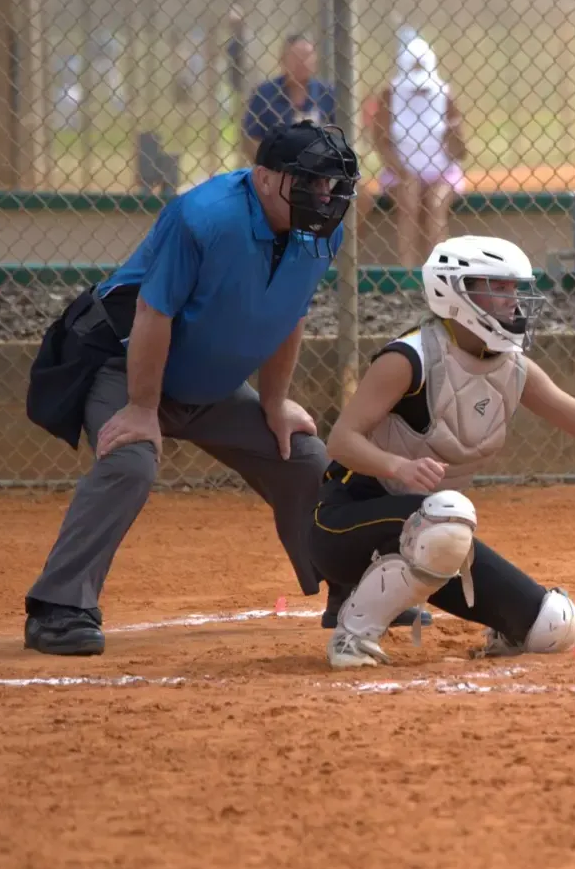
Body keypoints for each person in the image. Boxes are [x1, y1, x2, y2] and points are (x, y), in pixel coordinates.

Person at [21, 123, 359, 656]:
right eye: (312, 182)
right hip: (125, 363)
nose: (325, 197)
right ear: (266, 179)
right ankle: (59, 607)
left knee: (302, 457)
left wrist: (273, 402)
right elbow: (153, 312)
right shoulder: (204, 217)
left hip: (208, 383)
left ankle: (353, 592)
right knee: (129, 461)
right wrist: (141, 407)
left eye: (332, 186)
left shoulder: (319, 230)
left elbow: (289, 314)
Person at [312, 235, 575, 669]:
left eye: (515, 289)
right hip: (343, 524)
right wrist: (400, 466)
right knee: (447, 515)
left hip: (431, 536)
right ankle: (353, 639)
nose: (512, 300)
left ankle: (499, 614)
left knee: (553, 627)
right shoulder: (408, 358)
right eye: (498, 287)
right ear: (455, 290)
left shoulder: (511, 364)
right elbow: (340, 441)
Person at [363, 33, 467, 268]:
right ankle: (407, 274)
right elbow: (381, 142)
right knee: (408, 205)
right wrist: (402, 171)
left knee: (435, 207)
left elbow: (461, 153)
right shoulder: (390, 94)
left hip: (442, 171)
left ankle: (439, 273)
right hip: (401, 170)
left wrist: (453, 130)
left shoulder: (444, 94)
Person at [241, 35, 335, 164]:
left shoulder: (327, 93)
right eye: (295, 57)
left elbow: (338, 132)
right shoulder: (264, 93)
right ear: (283, 60)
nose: (302, 62)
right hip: (277, 167)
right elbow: (252, 138)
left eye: (307, 56)